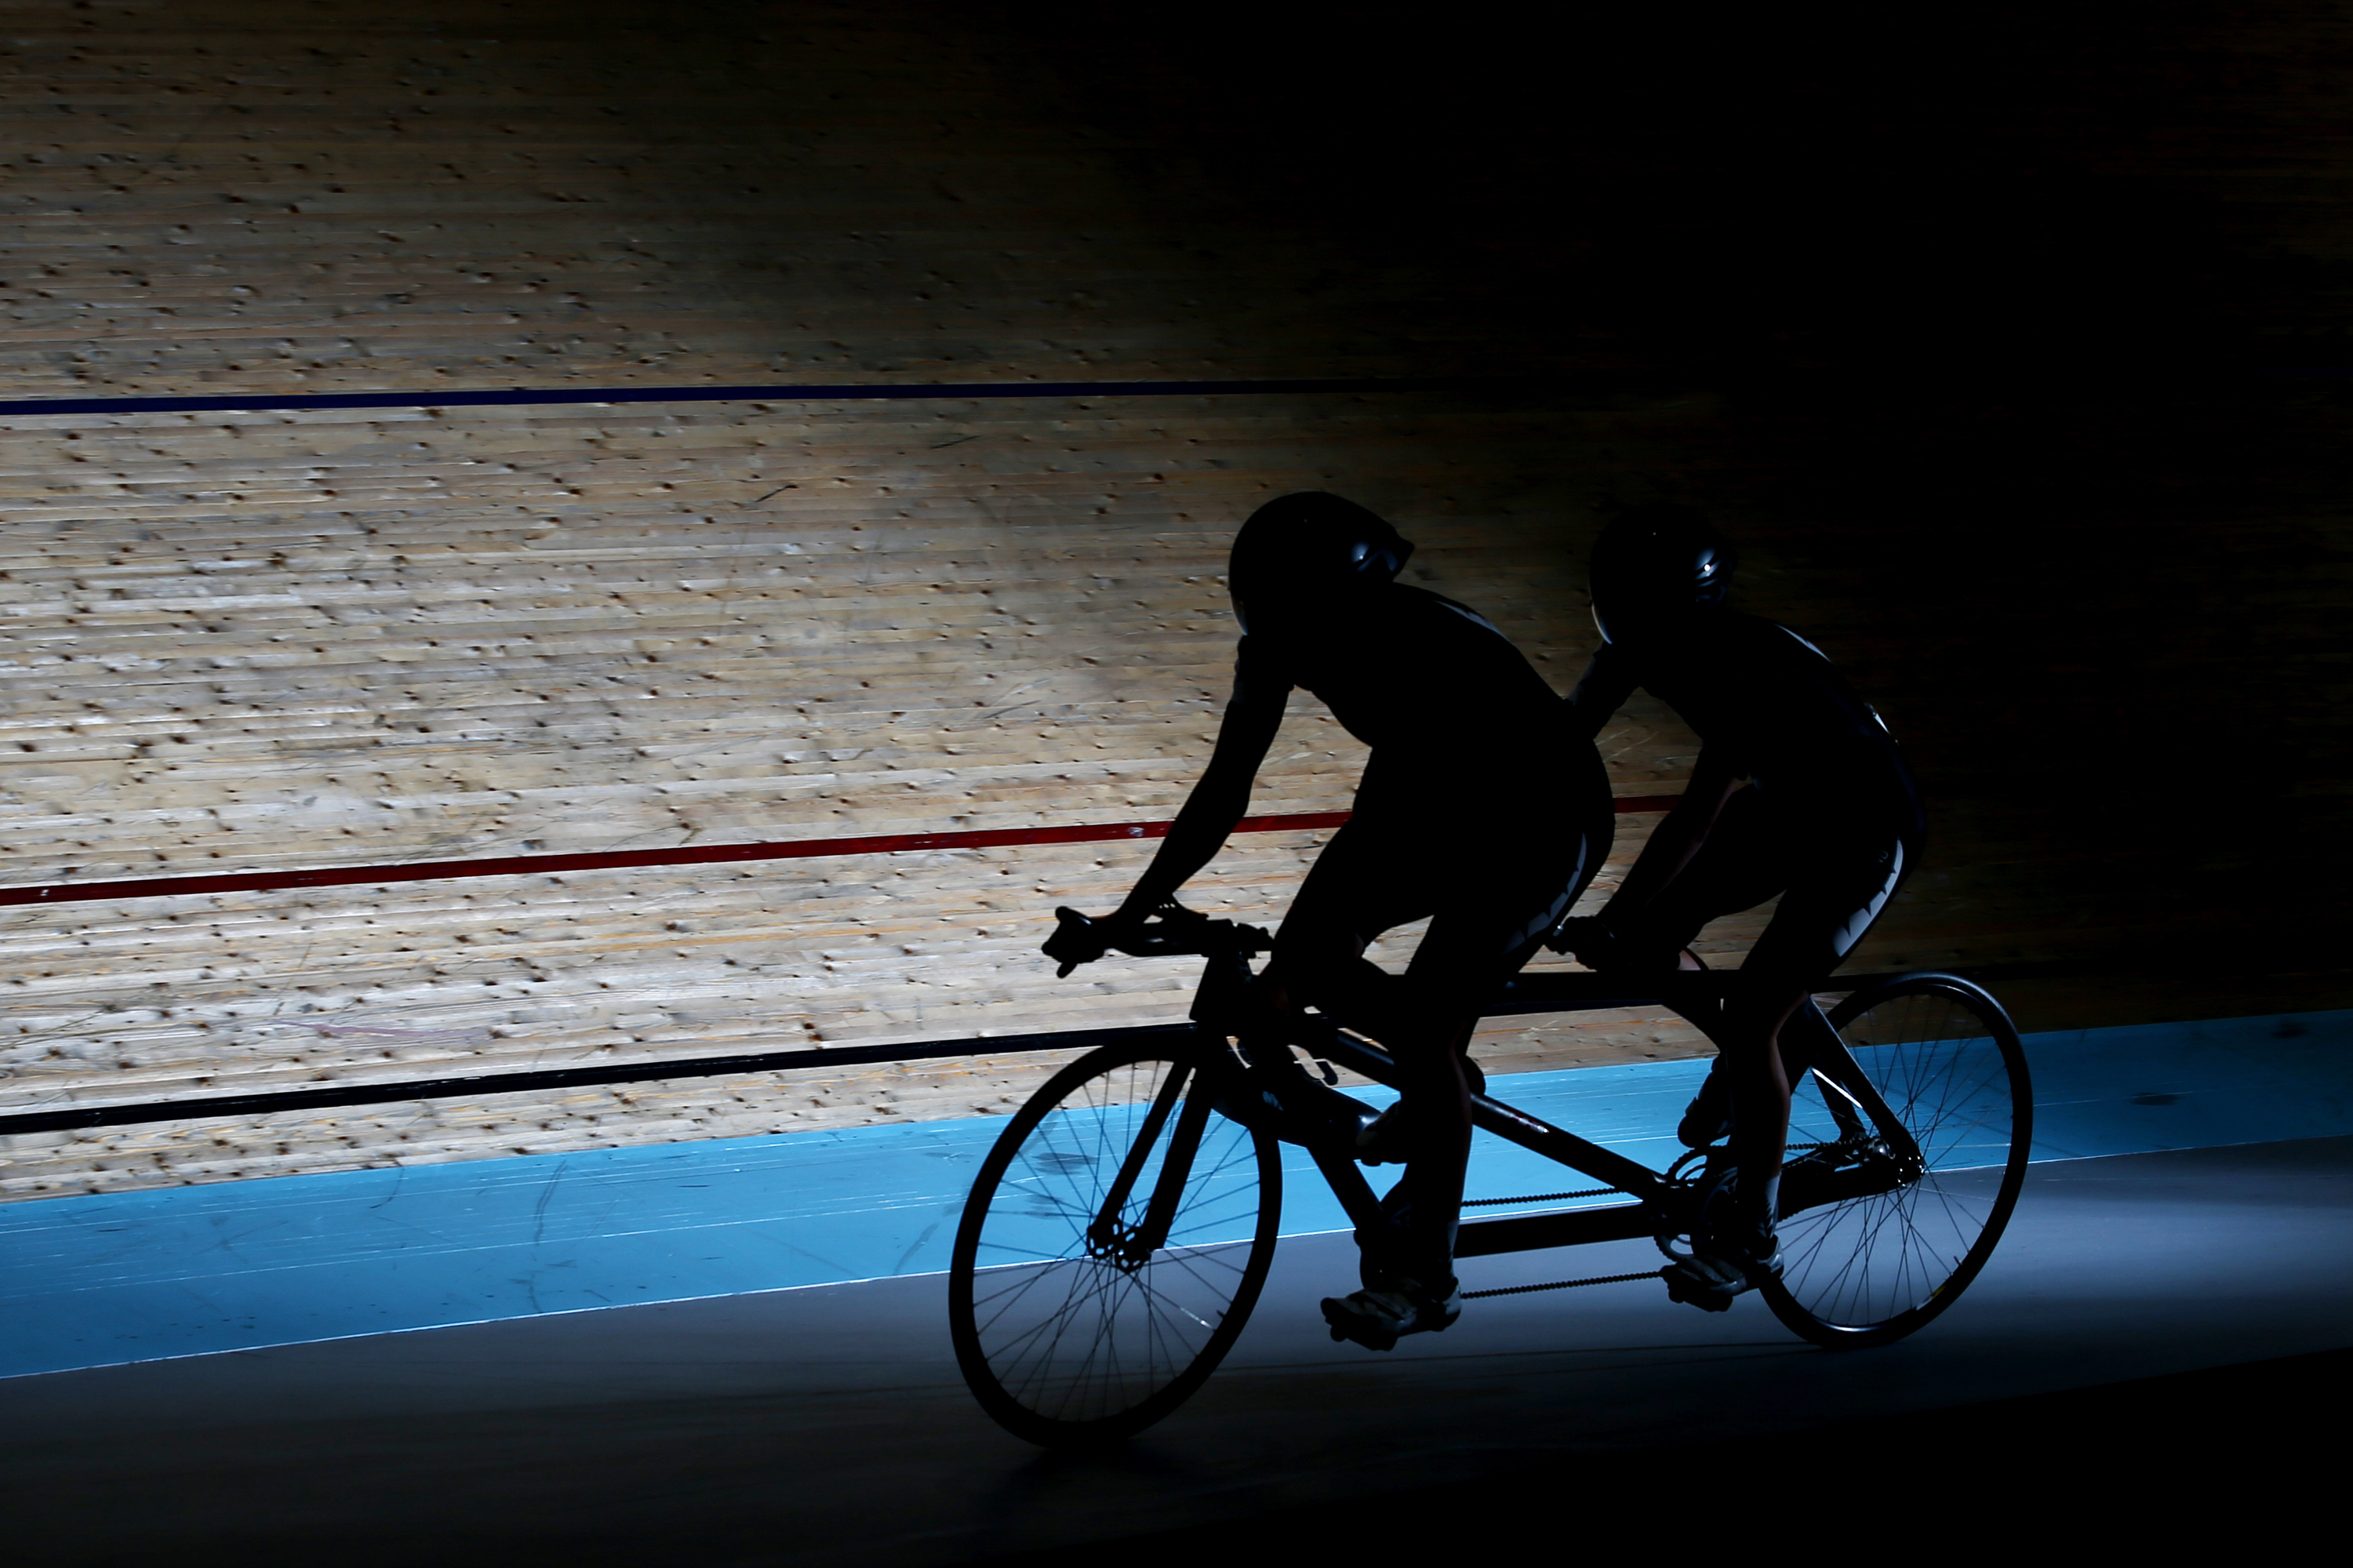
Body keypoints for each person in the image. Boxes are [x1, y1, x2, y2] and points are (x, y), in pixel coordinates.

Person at [1071, 492, 1612, 1350]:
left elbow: (1403, 801)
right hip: (1434, 799)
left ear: (1353, 601)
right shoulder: (1278, 643)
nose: (1296, 648)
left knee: (1418, 1016)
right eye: (1279, 626)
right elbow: (1225, 786)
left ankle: (1425, 1274)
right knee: (1303, 971)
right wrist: (1126, 911)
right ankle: (1438, 1085)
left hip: (1543, 822)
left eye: (1308, 627)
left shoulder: (1425, 642)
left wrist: (1380, 1011)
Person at [1552, 506, 1924, 1309]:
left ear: (1685, 610)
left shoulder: (1747, 669)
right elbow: (1554, 748)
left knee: (1755, 1010)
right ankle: (1750, 1065)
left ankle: (1756, 1236)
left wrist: (1613, 911)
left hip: (1863, 826)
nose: (1626, 627)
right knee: (1649, 946)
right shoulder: (1633, 646)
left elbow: (1694, 818)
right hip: (1789, 804)